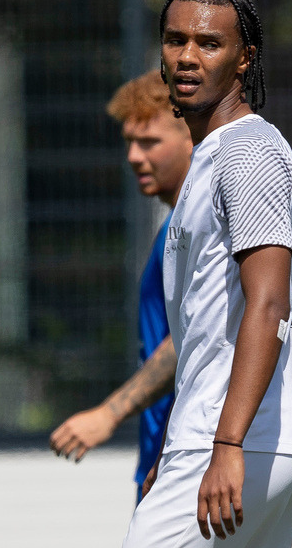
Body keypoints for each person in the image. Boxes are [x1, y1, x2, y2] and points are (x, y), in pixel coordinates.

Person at [102, 0, 292, 548]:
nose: (188, 56)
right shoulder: (214, 159)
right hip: (248, 444)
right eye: (176, 40)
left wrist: (222, 444)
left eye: (210, 42)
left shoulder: (247, 152)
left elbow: (268, 305)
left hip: (232, 442)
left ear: (244, 59)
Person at [49, 71, 193, 502]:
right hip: (164, 461)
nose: (133, 156)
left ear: (193, 141)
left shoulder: (195, 228)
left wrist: (108, 414)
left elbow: (192, 334)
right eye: (129, 142)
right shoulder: (173, 227)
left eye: (149, 142)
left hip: (188, 465)